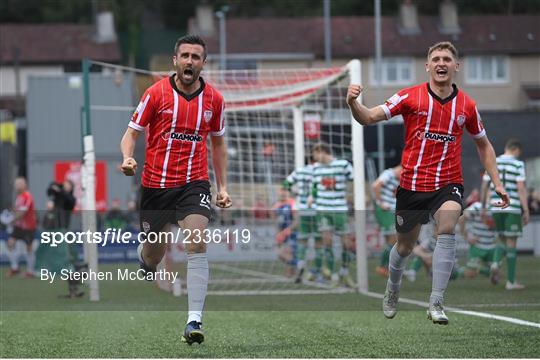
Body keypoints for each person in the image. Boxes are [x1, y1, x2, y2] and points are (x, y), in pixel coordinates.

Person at [347, 41, 509, 324]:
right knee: (405, 247)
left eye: (447, 58)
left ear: (456, 66)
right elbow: (369, 117)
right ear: (428, 66)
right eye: (436, 58)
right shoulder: (410, 97)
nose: (441, 63)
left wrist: (497, 182)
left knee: (447, 228)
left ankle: (436, 302)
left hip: (448, 183)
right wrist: (352, 102)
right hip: (411, 186)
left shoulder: (467, 106)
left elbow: (484, 145)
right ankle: (393, 289)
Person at [119, 34, 231, 345]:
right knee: (154, 255)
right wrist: (128, 157)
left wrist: (222, 187)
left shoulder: (215, 101)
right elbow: (130, 134)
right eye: (185, 56)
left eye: (196, 57)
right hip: (155, 187)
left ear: (203, 64)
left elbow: (219, 146)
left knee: (197, 241)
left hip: (194, 185)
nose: (190, 62)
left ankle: (193, 321)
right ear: (175, 60)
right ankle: (146, 258)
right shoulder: (155, 94)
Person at [482, 138, 529, 290]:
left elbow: (484, 185)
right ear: (515, 150)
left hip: (494, 206)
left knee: (501, 239)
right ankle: (511, 281)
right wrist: (526, 209)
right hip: (512, 206)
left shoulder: (493, 161)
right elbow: (521, 187)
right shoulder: (517, 164)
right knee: (511, 243)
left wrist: (484, 207)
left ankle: (495, 263)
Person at [310, 143, 355, 288]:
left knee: (346, 243)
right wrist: (312, 196)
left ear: (322, 151)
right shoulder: (316, 168)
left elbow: (355, 180)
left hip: (340, 210)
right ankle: (330, 274)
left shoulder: (343, 165)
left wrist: (355, 196)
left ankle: (344, 271)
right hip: (323, 209)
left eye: (315, 154)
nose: (314, 158)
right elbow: (315, 187)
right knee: (327, 241)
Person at [283, 161, 320, 283]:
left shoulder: (299, 171)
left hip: (302, 209)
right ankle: (317, 271)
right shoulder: (321, 170)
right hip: (317, 209)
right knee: (318, 242)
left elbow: (286, 183)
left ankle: (300, 265)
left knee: (302, 241)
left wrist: (295, 193)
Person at [372, 165, 402, 277]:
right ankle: (383, 267)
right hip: (385, 210)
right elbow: (376, 185)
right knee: (394, 239)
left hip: (392, 211)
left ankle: (385, 267)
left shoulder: (399, 179)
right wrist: (380, 203)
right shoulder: (389, 174)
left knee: (391, 241)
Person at [6, 177, 37, 278]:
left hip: (28, 226)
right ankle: (15, 267)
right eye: (16, 184)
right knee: (10, 243)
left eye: (19, 184)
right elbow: (17, 210)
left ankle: (30, 271)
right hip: (19, 226)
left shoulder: (27, 196)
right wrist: (10, 213)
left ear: (24, 185)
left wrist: (11, 219)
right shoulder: (18, 197)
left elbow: (23, 212)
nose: (17, 186)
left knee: (29, 248)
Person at [272, 187, 297, 278]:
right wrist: (278, 234)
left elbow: (296, 220)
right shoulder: (276, 206)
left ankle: (291, 273)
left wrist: (288, 231)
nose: (282, 193)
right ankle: (294, 270)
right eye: (281, 191)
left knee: (287, 253)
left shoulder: (292, 203)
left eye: (285, 191)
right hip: (282, 233)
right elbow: (276, 222)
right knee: (282, 254)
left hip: (292, 233)